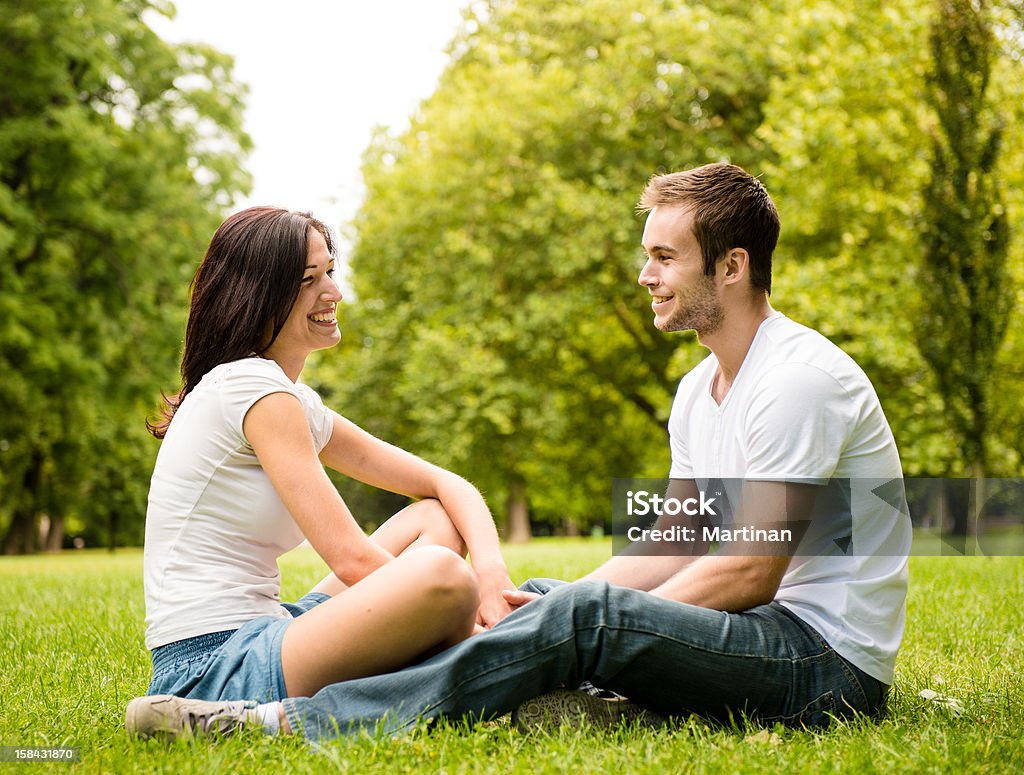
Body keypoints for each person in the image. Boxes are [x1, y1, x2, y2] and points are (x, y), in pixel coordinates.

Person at [126, 164, 910, 740]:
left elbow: (747, 567)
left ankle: (286, 722)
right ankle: (548, 673)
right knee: (546, 596)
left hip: (819, 660)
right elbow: (671, 542)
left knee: (576, 614)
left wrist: (580, 622)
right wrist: (550, 605)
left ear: (732, 265)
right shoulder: (696, 391)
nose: (645, 275)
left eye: (665, 257)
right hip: (757, 626)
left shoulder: (797, 380)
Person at [128, 207, 515, 724]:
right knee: (443, 577)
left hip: (267, 631)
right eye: (308, 281)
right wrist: (480, 629)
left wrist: (490, 575)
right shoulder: (252, 388)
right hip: (211, 667)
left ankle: (421, 661)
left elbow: (446, 485)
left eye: (329, 271)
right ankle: (254, 718)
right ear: (258, 296)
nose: (332, 292)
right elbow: (352, 560)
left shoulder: (289, 398)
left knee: (434, 520)